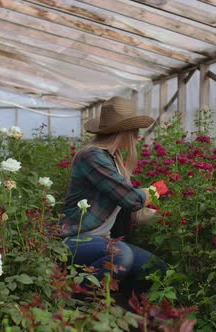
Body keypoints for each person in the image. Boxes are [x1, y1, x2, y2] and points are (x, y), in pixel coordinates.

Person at [60, 96, 164, 297]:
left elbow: (123, 206)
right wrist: (154, 191)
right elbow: (131, 199)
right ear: (124, 132)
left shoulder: (113, 158)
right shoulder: (92, 155)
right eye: (135, 130)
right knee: (120, 255)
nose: (137, 136)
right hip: (76, 239)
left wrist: (158, 214)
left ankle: (125, 312)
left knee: (156, 269)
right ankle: (79, 307)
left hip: (102, 239)